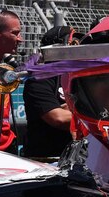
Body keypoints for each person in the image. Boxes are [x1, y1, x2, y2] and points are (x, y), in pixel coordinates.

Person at [22, 26, 79, 158]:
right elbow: (58, 117)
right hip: (47, 160)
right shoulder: (39, 78)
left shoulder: (77, 76)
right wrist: (89, 116)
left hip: (75, 157)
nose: (79, 47)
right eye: (74, 43)